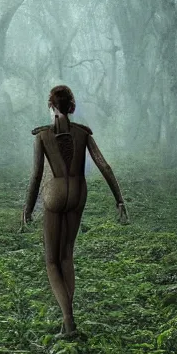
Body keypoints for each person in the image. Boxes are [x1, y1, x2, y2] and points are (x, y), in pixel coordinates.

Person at [21, 85, 128, 335]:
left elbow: (37, 176)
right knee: (67, 255)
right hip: (79, 191)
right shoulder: (83, 133)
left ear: (51, 106)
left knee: (51, 261)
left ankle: (68, 320)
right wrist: (119, 199)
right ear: (71, 106)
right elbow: (104, 165)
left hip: (55, 192)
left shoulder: (42, 137)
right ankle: (67, 318)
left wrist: (28, 208)